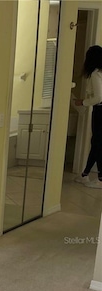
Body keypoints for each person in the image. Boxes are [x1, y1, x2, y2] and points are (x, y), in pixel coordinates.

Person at [74, 45, 102, 188]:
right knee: (96, 143)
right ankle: (85, 175)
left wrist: (82, 102)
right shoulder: (100, 73)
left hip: (100, 112)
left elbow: (98, 97)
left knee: (97, 144)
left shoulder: (95, 74)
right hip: (99, 111)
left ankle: (100, 179)